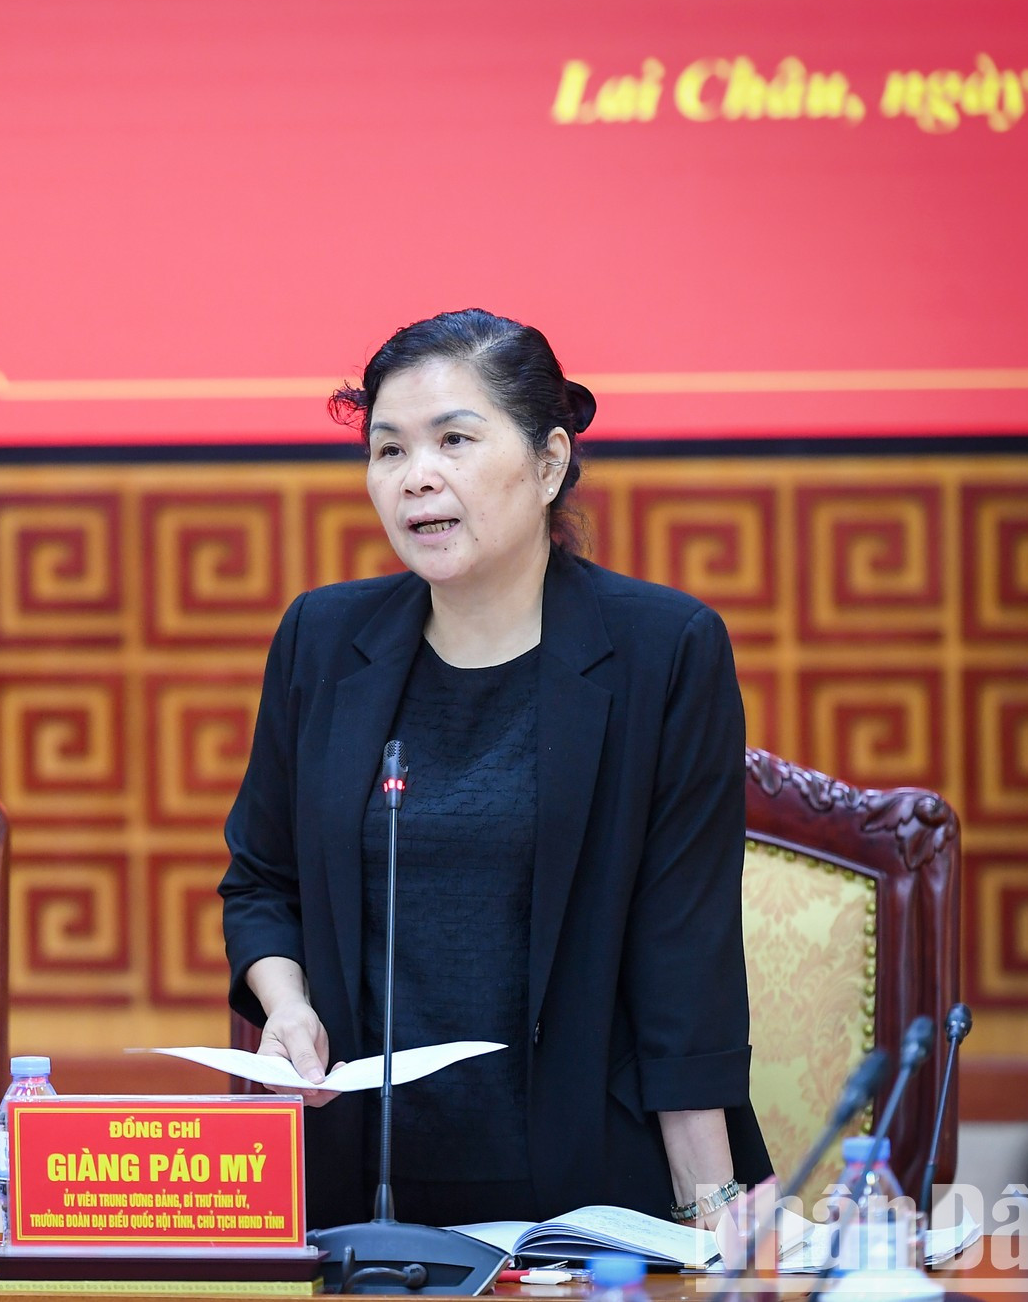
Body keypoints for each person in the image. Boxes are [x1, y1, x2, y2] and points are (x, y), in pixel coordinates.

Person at [220, 308, 772, 1232]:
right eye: (388, 450)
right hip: (356, 1188)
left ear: (550, 462)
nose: (417, 476)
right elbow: (262, 879)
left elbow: (686, 945)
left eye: (454, 440)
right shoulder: (322, 639)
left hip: (589, 1195)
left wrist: (707, 1203)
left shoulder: (662, 651)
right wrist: (286, 1007)